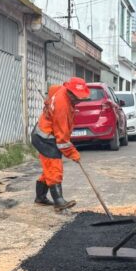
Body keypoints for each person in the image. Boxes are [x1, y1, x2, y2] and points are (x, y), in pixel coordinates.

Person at [31, 76, 91, 211]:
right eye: (77, 97)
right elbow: (62, 140)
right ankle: (59, 201)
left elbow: (52, 89)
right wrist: (73, 154)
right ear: (69, 91)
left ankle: (40, 197)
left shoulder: (61, 89)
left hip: (45, 134)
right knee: (54, 168)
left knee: (49, 169)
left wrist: (48, 104)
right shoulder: (62, 106)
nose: (79, 100)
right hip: (44, 137)